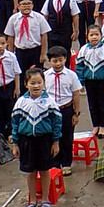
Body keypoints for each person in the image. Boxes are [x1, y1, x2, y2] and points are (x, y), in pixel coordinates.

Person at [10, 68, 61, 207]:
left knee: (45, 171)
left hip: (45, 140)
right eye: (32, 83)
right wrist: (15, 143)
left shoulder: (49, 102)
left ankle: (45, 199)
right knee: (30, 171)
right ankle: (32, 200)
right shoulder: (21, 102)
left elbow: (57, 123)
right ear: (26, 84)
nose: (36, 86)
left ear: (44, 84)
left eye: (39, 83)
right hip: (27, 142)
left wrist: (56, 142)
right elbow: (15, 124)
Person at [44, 45, 82, 177]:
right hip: (50, 112)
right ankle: (54, 162)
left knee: (66, 137)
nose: (58, 63)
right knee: (52, 136)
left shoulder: (71, 75)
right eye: (55, 61)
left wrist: (76, 113)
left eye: (60, 60)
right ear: (49, 61)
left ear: (65, 59)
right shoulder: (45, 76)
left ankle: (66, 163)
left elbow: (76, 95)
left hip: (66, 109)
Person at [75, 25, 104, 140]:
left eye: (97, 35)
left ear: (101, 36)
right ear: (87, 36)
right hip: (89, 81)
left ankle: (102, 126)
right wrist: (81, 82)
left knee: (103, 104)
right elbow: (79, 66)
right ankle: (95, 125)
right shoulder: (84, 49)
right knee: (92, 104)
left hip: (102, 81)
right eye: (91, 35)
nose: (94, 37)